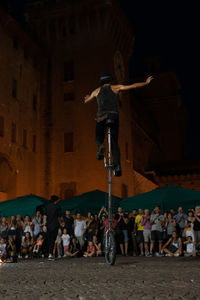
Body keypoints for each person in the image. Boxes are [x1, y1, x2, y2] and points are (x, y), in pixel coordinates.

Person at [84, 73, 154, 176]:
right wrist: (146, 83)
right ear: (110, 81)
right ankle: (117, 166)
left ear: (101, 82)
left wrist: (87, 97)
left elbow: (86, 100)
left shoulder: (96, 91)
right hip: (113, 116)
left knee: (98, 136)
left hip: (101, 117)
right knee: (114, 143)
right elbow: (133, 86)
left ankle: (101, 146)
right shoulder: (115, 87)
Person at [44, 195, 62, 260]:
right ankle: (50, 254)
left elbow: (45, 216)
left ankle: (49, 254)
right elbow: (59, 217)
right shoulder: (58, 207)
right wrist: (61, 223)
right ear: (56, 200)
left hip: (48, 226)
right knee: (52, 240)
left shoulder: (47, 207)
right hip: (55, 226)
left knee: (49, 240)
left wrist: (44, 225)